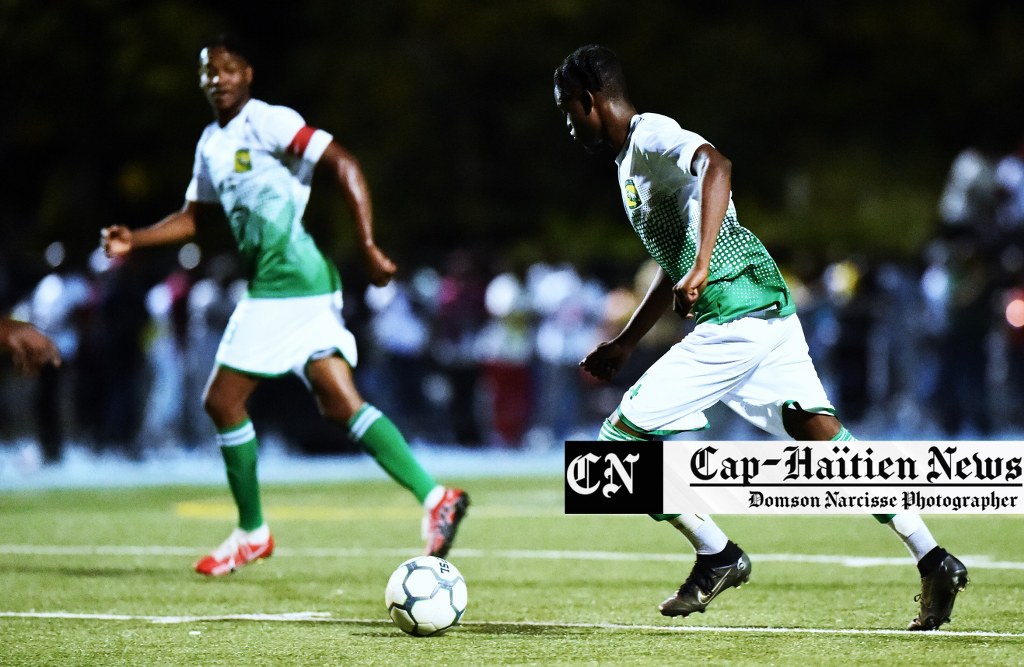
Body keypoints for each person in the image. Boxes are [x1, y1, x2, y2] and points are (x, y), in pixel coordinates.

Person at [553, 44, 967, 631]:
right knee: (828, 444)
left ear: (590, 100)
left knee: (616, 447)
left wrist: (699, 267)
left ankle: (716, 554)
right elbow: (673, 264)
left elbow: (717, 164)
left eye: (568, 109)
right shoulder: (628, 164)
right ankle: (933, 557)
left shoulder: (649, 136)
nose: (568, 125)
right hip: (764, 311)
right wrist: (626, 340)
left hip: (735, 319)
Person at [101, 33, 468, 576]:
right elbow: (193, 217)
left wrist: (367, 243)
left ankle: (252, 532)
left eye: (226, 69)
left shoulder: (269, 122)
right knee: (340, 404)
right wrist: (137, 237)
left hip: (287, 283)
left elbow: (342, 161)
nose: (216, 79)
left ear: (247, 73)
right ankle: (436, 497)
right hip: (301, 285)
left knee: (222, 401)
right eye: (207, 72)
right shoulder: (211, 143)